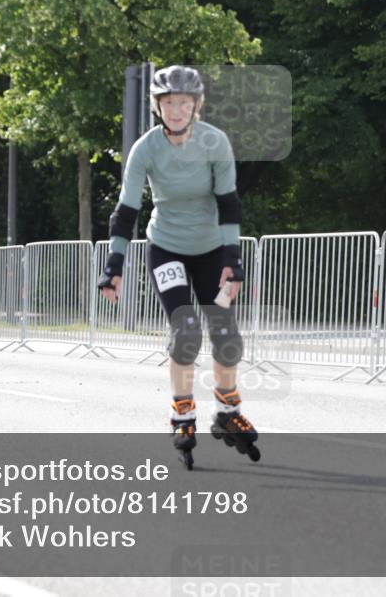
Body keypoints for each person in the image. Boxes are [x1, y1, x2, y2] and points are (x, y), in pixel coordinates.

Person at [96, 66, 259, 469]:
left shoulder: (215, 142)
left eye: (184, 103)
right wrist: (114, 263)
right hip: (166, 247)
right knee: (186, 330)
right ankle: (182, 413)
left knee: (226, 336)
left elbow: (229, 204)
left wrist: (232, 261)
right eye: (169, 103)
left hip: (210, 251)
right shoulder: (146, 148)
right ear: (158, 106)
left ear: (196, 105)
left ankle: (226, 411)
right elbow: (126, 209)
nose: (176, 110)